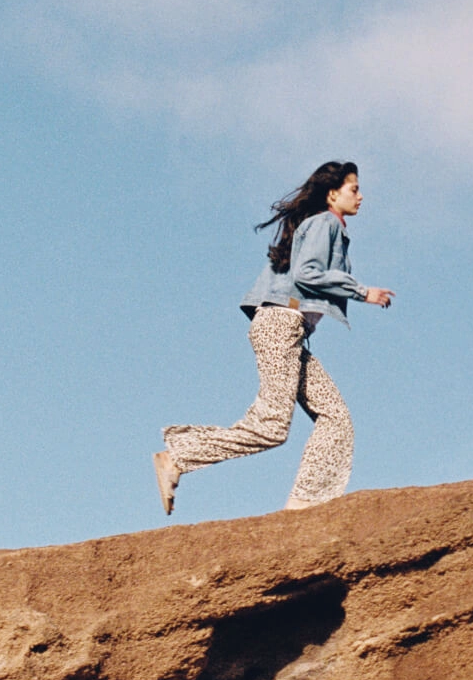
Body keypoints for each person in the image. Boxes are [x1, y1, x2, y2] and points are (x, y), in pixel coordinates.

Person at [153, 161, 394, 516]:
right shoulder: (324, 223)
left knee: (335, 416)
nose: (361, 196)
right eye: (353, 189)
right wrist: (362, 292)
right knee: (272, 426)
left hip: (289, 331)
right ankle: (180, 455)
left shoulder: (326, 227)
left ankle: (306, 503)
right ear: (332, 194)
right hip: (281, 324)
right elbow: (308, 272)